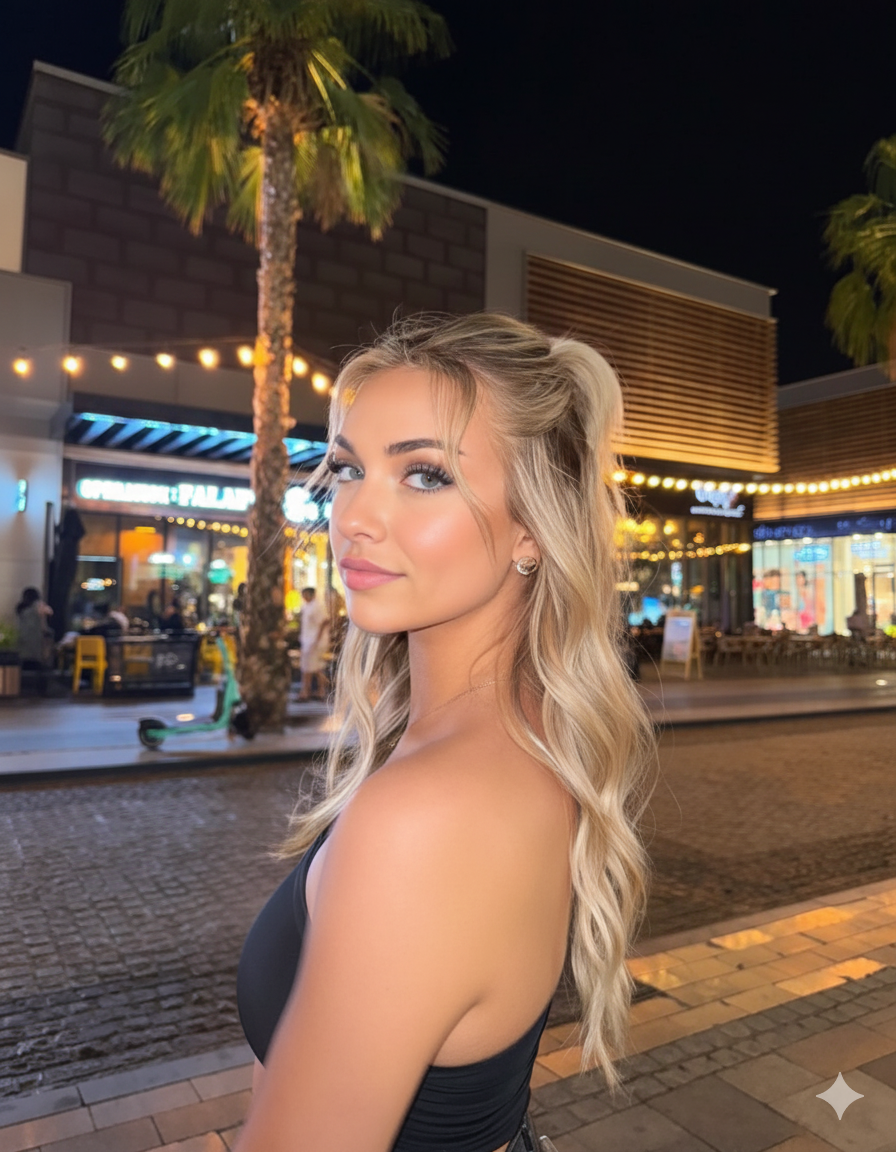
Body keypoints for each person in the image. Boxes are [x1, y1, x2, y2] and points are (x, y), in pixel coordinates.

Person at [235, 313, 656, 1152]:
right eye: (348, 470)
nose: (353, 515)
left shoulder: (427, 815)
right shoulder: (521, 742)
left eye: (423, 475)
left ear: (535, 526)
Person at [296, 586, 330, 701]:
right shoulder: (306, 606)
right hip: (308, 640)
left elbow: (324, 622)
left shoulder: (318, 606)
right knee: (311, 667)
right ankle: (310, 690)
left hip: (315, 641)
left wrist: (317, 639)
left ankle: (311, 691)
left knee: (313, 667)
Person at [16, 587, 54, 684]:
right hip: (37, 643)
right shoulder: (38, 606)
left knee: (25, 666)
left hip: (23, 643)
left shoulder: (22, 609)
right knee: (41, 666)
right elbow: (49, 612)